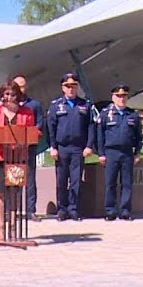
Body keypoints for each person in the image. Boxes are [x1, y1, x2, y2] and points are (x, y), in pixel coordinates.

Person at [0, 81, 36, 241]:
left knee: (14, 193)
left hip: (17, 157)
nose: (9, 97)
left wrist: (28, 137)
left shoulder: (27, 112)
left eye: (13, 94)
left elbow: (32, 132)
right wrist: (2, 138)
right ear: (2, 95)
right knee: (0, 192)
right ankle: (0, 226)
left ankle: (12, 226)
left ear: (18, 95)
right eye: (6, 94)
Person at [46, 72, 95, 220]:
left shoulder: (85, 105)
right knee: (61, 180)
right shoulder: (56, 105)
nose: (70, 89)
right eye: (67, 86)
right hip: (61, 148)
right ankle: (62, 209)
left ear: (77, 87)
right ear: (63, 88)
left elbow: (91, 127)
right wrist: (52, 147)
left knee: (76, 181)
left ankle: (73, 209)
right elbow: (51, 128)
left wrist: (89, 146)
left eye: (73, 86)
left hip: (78, 148)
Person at [96, 84, 142, 221]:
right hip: (111, 152)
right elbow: (100, 135)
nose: (121, 99)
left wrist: (137, 153)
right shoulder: (106, 114)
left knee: (127, 183)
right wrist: (101, 153)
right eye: (118, 96)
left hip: (127, 152)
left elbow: (139, 136)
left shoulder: (132, 115)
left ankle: (125, 210)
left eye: (124, 96)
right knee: (110, 183)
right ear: (113, 97)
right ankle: (110, 210)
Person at [13, 74, 46, 222]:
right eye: (17, 86)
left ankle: (30, 210)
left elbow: (39, 124)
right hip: (13, 149)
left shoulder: (34, 105)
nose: (21, 89)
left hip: (29, 147)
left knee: (30, 179)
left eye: (22, 86)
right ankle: (14, 211)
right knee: (15, 179)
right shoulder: (9, 105)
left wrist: (28, 135)